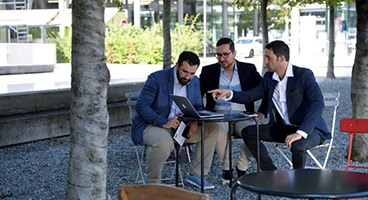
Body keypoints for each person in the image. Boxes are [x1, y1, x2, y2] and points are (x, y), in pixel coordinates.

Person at [208, 40, 330, 170]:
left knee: (298, 146)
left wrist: (300, 132)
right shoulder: (268, 78)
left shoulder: (303, 75)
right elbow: (250, 95)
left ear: (281, 58)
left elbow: (318, 103)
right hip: (284, 128)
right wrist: (229, 94)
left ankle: (298, 184)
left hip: (311, 129)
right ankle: (271, 173)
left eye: (269, 58)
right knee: (248, 132)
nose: (265, 61)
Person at [131, 51, 218, 189]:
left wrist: (194, 122)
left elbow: (197, 106)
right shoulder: (157, 78)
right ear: (177, 65)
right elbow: (141, 106)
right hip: (152, 124)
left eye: (192, 73)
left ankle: (196, 175)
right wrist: (164, 121)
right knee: (163, 142)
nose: (188, 77)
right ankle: (153, 184)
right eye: (185, 72)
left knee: (212, 128)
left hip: (181, 126)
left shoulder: (194, 81)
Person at [200, 37, 265, 183]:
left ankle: (241, 167)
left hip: (243, 115)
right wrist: (201, 112)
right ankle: (227, 169)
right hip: (218, 116)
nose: (222, 58)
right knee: (218, 131)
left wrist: (262, 112)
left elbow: (266, 89)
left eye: (225, 54)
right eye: (219, 55)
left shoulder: (248, 69)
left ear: (234, 53)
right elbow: (197, 93)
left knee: (255, 131)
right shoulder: (208, 71)